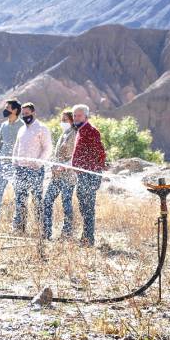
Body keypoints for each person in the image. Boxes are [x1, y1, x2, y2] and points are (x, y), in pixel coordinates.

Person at [12, 102, 52, 233]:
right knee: (20, 199)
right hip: (20, 170)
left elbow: (48, 148)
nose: (25, 116)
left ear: (34, 113)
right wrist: (15, 162)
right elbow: (16, 147)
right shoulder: (21, 129)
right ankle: (19, 228)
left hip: (35, 170)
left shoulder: (42, 128)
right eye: (23, 114)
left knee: (37, 199)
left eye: (27, 113)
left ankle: (42, 230)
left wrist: (38, 163)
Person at [0, 99, 24, 229]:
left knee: (18, 195)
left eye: (7, 108)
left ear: (15, 110)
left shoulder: (22, 126)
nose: (5, 110)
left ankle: (18, 225)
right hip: (2, 166)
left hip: (15, 166)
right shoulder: (3, 125)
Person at [71, 104, 106, 246]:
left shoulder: (91, 131)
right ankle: (86, 236)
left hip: (90, 175)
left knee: (88, 207)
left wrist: (93, 168)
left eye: (78, 115)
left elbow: (100, 152)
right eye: (74, 116)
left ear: (86, 116)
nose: (75, 118)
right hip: (82, 174)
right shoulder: (80, 130)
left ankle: (88, 239)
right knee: (84, 207)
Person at [43, 111, 77, 240]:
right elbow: (57, 155)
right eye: (61, 119)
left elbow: (75, 157)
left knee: (66, 203)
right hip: (56, 176)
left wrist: (63, 166)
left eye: (65, 120)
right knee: (47, 200)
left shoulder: (74, 134)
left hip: (68, 176)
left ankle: (67, 233)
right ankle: (46, 232)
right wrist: (53, 165)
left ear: (72, 121)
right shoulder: (63, 134)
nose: (62, 122)